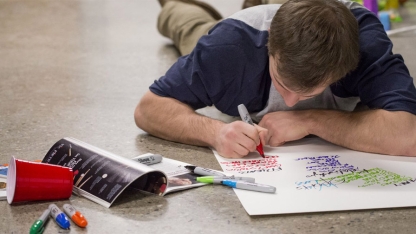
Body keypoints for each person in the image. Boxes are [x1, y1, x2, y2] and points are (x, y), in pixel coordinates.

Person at [135, 0, 416, 158]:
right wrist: (215, 132)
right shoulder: (228, 48)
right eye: (283, 84)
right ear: (270, 44)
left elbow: (408, 135)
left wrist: (309, 120)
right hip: (236, 39)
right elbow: (148, 109)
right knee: (192, 28)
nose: (291, 103)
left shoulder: (366, 47)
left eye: (308, 94)